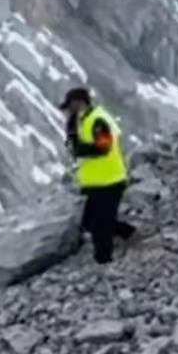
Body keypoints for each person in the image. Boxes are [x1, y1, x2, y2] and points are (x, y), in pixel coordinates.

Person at [59, 86, 136, 265]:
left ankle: (104, 261)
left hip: (110, 181)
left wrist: (80, 149)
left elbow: (103, 146)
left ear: (79, 103)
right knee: (89, 222)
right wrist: (71, 133)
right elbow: (73, 151)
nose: (69, 112)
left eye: (70, 107)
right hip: (97, 183)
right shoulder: (85, 121)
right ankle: (129, 234)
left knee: (100, 226)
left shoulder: (98, 120)